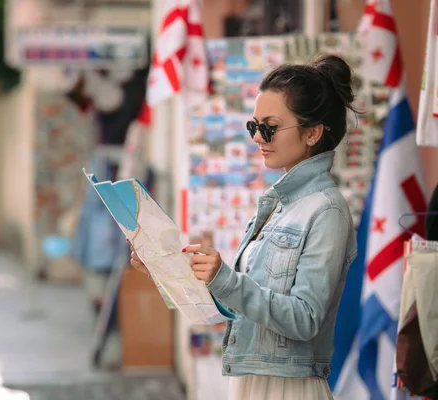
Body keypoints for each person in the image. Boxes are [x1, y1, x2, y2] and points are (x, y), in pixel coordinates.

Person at [130, 54, 359, 400]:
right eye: (253, 126)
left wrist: (225, 278)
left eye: (269, 126)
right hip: (250, 381)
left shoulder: (326, 210)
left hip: (289, 388)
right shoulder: (275, 205)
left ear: (312, 132)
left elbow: (305, 318)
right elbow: (234, 304)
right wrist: (162, 268)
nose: (257, 138)